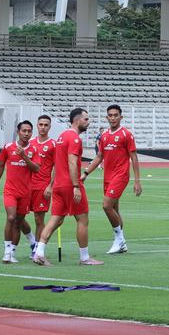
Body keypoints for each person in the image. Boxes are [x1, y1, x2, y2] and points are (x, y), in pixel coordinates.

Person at [33, 108, 102, 266]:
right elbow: (72, 162)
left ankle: (39, 253)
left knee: (55, 219)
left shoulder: (61, 136)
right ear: (77, 120)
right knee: (83, 219)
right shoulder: (75, 139)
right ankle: (85, 257)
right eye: (86, 119)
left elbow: (58, 162)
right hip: (70, 185)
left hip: (58, 184)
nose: (88, 122)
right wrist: (76, 186)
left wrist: (53, 184)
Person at [81, 104, 141, 255]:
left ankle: (119, 240)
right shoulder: (104, 136)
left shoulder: (126, 134)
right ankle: (121, 243)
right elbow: (99, 156)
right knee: (114, 209)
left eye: (116, 115)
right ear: (107, 117)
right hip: (107, 176)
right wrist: (86, 172)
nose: (113, 118)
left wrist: (137, 180)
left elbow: (134, 157)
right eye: (110, 115)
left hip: (121, 176)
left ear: (121, 117)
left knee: (106, 206)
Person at [0, 121, 40, 263]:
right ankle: (6, 251)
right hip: (10, 191)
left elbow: (36, 169)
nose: (26, 134)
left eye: (29, 131)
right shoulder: (8, 147)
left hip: (25, 192)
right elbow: (1, 165)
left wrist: (25, 157)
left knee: (18, 222)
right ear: (18, 132)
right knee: (11, 218)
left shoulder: (34, 150)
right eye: (24, 131)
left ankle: (13, 252)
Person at [27, 115, 56, 259]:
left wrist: (51, 186)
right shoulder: (30, 143)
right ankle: (31, 240)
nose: (43, 127)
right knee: (17, 218)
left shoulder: (53, 145)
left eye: (46, 125)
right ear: (37, 126)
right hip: (26, 186)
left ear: (49, 127)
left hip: (42, 186)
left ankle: (38, 249)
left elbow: (58, 167)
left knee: (39, 219)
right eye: (41, 124)